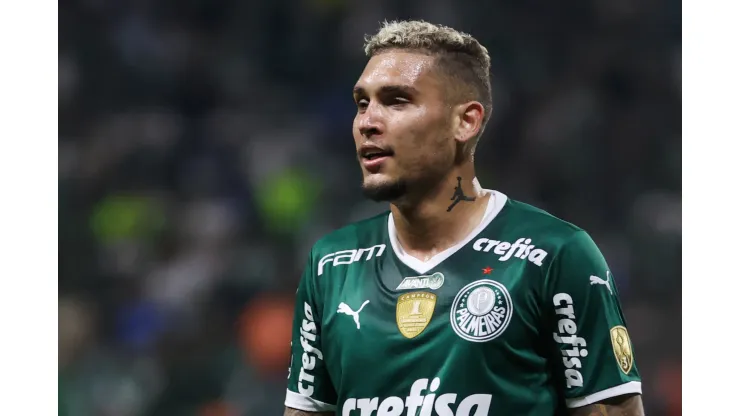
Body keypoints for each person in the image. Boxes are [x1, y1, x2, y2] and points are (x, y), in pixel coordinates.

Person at [284, 20, 644, 416]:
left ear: (465, 122)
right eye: (362, 102)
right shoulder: (331, 264)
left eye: (397, 100)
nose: (368, 121)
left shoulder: (554, 255)